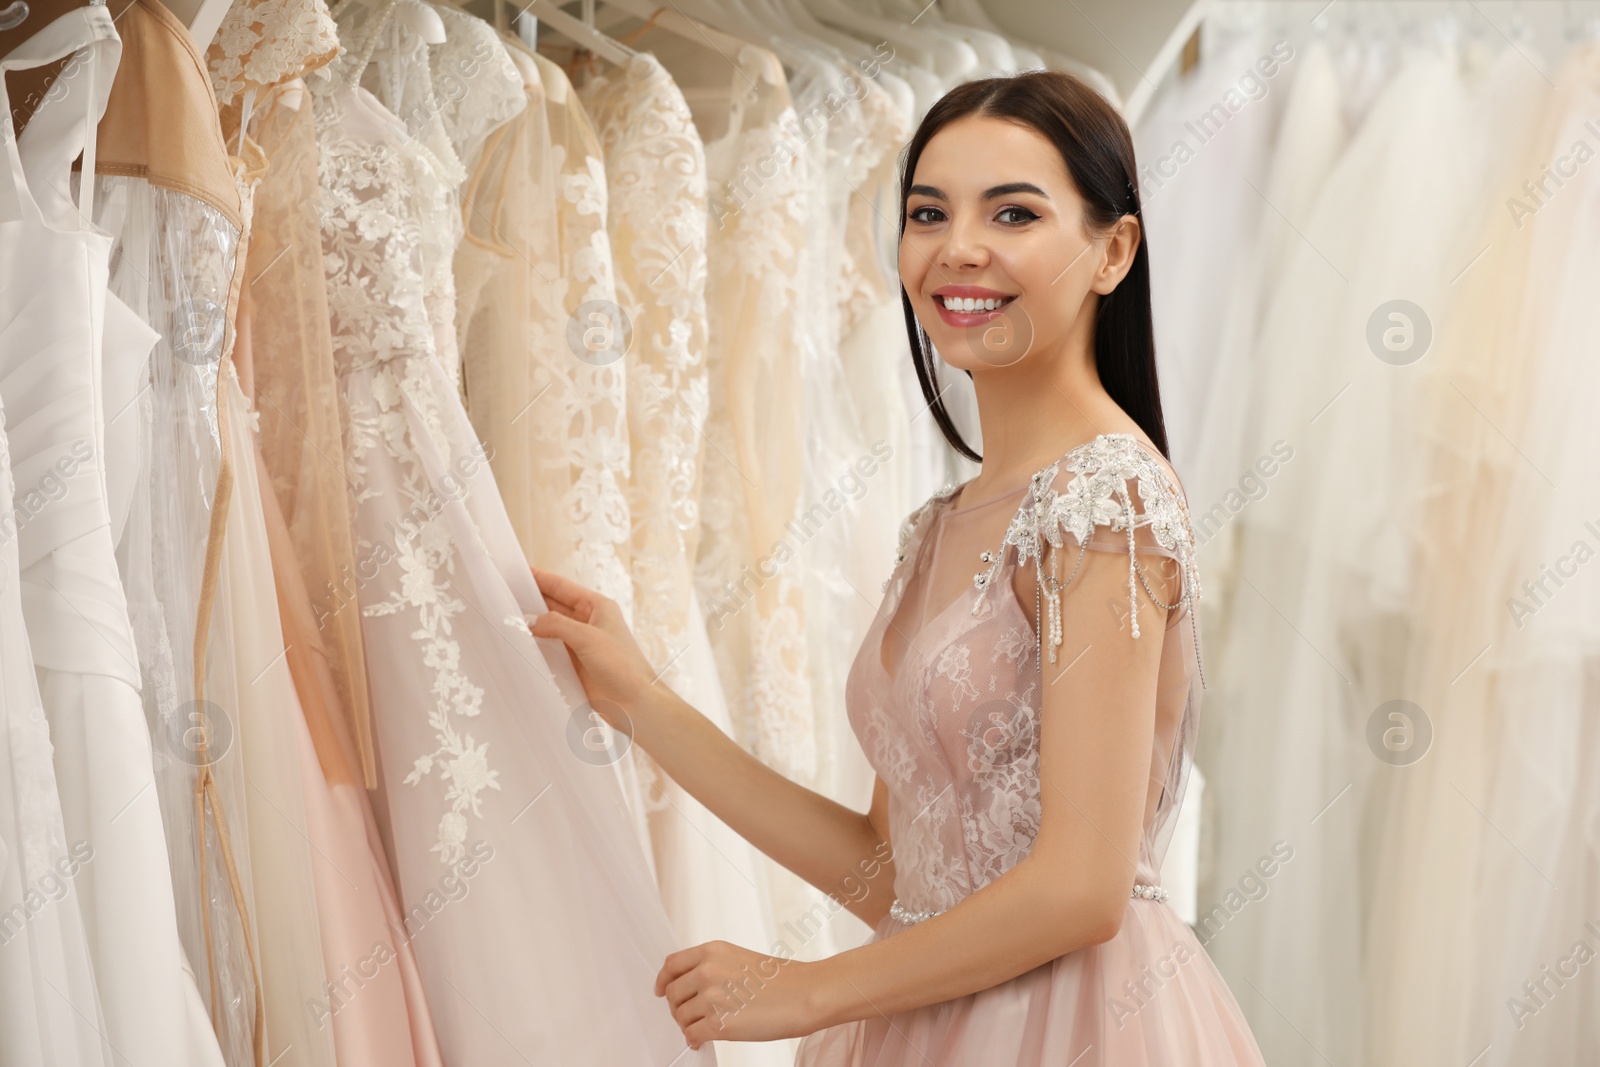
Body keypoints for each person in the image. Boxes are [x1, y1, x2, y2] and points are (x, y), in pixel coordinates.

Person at [530, 69, 1267, 1066]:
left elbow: (1082, 886)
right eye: (929, 212)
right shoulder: (942, 521)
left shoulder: (1107, 501)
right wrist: (641, 701)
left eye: (1012, 212)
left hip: (1077, 1026)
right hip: (927, 1015)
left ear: (1112, 250)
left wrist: (805, 988)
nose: (957, 247)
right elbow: (892, 874)